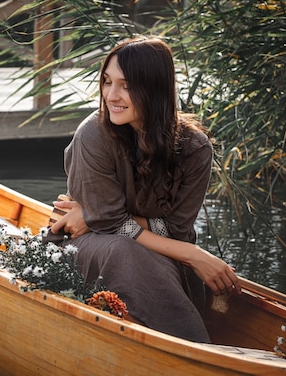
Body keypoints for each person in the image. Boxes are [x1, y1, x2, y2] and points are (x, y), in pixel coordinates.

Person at [49, 36, 241, 343]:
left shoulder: (195, 148)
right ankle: (198, 351)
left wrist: (97, 213)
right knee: (124, 250)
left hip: (158, 252)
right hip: (86, 244)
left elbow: (176, 229)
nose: (112, 95)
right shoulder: (93, 135)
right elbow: (110, 225)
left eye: (126, 85)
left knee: (152, 259)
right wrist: (193, 253)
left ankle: (185, 344)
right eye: (107, 82)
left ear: (155, 88)